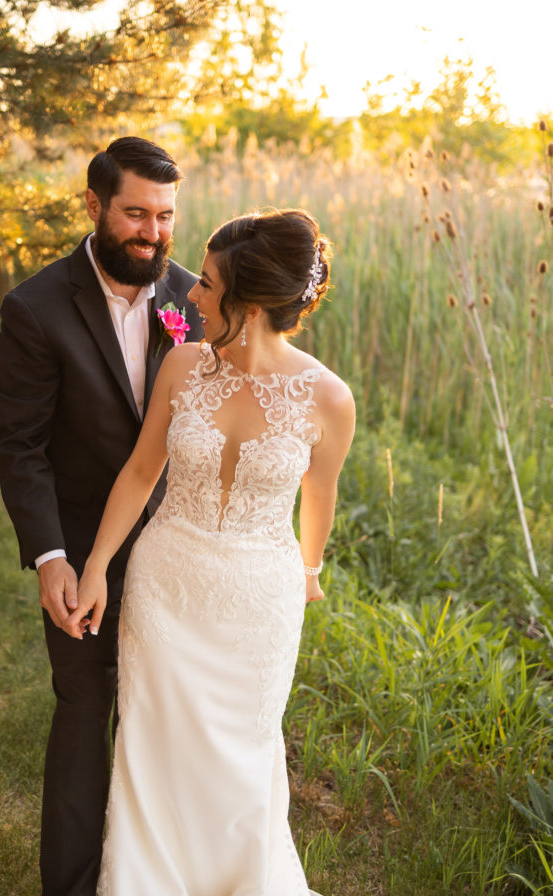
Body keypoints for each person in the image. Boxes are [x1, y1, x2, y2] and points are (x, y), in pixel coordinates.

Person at [65, 208, 356, 895]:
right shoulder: (183, 365)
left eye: (209, 284)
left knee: (243, 756)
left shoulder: (329, 398)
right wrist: (98, 564)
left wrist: (308, 570)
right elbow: (140, 474)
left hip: (259, 603)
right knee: (153, 751)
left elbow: (320, 496)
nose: (189, 292)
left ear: (247, 304)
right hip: (165, 587)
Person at [0, 136, 203, 896]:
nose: (152, 233)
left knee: (169, 728)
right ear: (93, 205)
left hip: (182, 554)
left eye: (166, 216)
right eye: (136, 214)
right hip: (82, 551)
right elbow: (21, 449)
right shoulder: (36, 308)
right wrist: (51, 557)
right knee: (85, 716)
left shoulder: (195, 300)